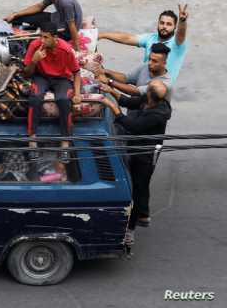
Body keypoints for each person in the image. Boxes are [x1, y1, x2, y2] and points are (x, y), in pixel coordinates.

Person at [99, 80, 172, 245]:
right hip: (132, 148)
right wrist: (109, 89)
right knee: (130, 183)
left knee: (137, 190)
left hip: (144, 156)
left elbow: (133, 126)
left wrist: (112, 106)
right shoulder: (148, 100)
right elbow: (128, 101)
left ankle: (129, 230)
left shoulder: (157, 114)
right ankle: (138, 215)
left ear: (150, 96)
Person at [23, 22, 82, 162]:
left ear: (55, 38)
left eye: (46, 37)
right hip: (41, 77)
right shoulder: (35, 46)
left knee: (63, 100)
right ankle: (32, 139)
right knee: (35, 97)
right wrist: (34, 61)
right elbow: (26, 73)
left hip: (61, 79)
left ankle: (65, 142)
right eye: (41, 36)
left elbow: (76, 72)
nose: (42, 40)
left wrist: (78, 94)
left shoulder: (66, 50)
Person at [98, 5, 189, 83]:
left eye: (169, 24)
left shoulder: (177, 44)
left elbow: (180, 35)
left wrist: (182, 21)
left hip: (159, 92)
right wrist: (102, 35)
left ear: (175, 27)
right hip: (142, 86)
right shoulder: (150, 38)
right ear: (157, 23)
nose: (164, 26)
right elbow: (127, 38)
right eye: (162, 23)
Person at [4, 0, 82, 51]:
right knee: (19, 17)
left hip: (64, 31)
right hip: (56, 18)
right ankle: (9, 30)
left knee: (32, 43)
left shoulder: (65, 2)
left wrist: (76, 48)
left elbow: (71, 25)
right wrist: (15, 14)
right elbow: (39, 7)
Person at [94, 43, 173, 102]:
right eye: (150, 59)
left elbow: (135, 92)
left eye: (154, 61)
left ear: (164, 63)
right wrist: (106, 71)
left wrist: (109, 81)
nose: (149, 63)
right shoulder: (145, 67)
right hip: (134, 112)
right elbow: (126, 78)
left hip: (149, 119)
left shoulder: (165, 84)